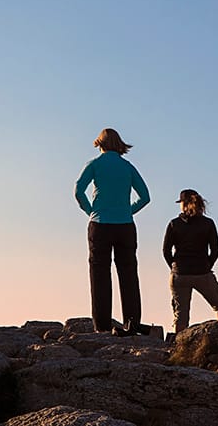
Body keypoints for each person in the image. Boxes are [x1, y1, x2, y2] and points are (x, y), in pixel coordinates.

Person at [75, 128, 151, 334]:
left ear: (99, 144)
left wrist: (91, 211)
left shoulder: (95, 164)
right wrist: (129, 210)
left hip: (99, 224)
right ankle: (132, 323)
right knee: (128, 274)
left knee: (99, 274)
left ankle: (102, 326)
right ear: (119, 145)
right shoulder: (128, 167)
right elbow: (145, 197)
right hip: (125, 225)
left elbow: (78, 190)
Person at [162, 189, 218, 333]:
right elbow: (215, 250)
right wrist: (206, 266)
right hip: (202, 273)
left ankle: (179, 348)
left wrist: (174, 267)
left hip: (180, 275)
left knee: (181, 315)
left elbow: (166, 251)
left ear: (184, 204)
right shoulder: (208, 223)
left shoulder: (174, 224)